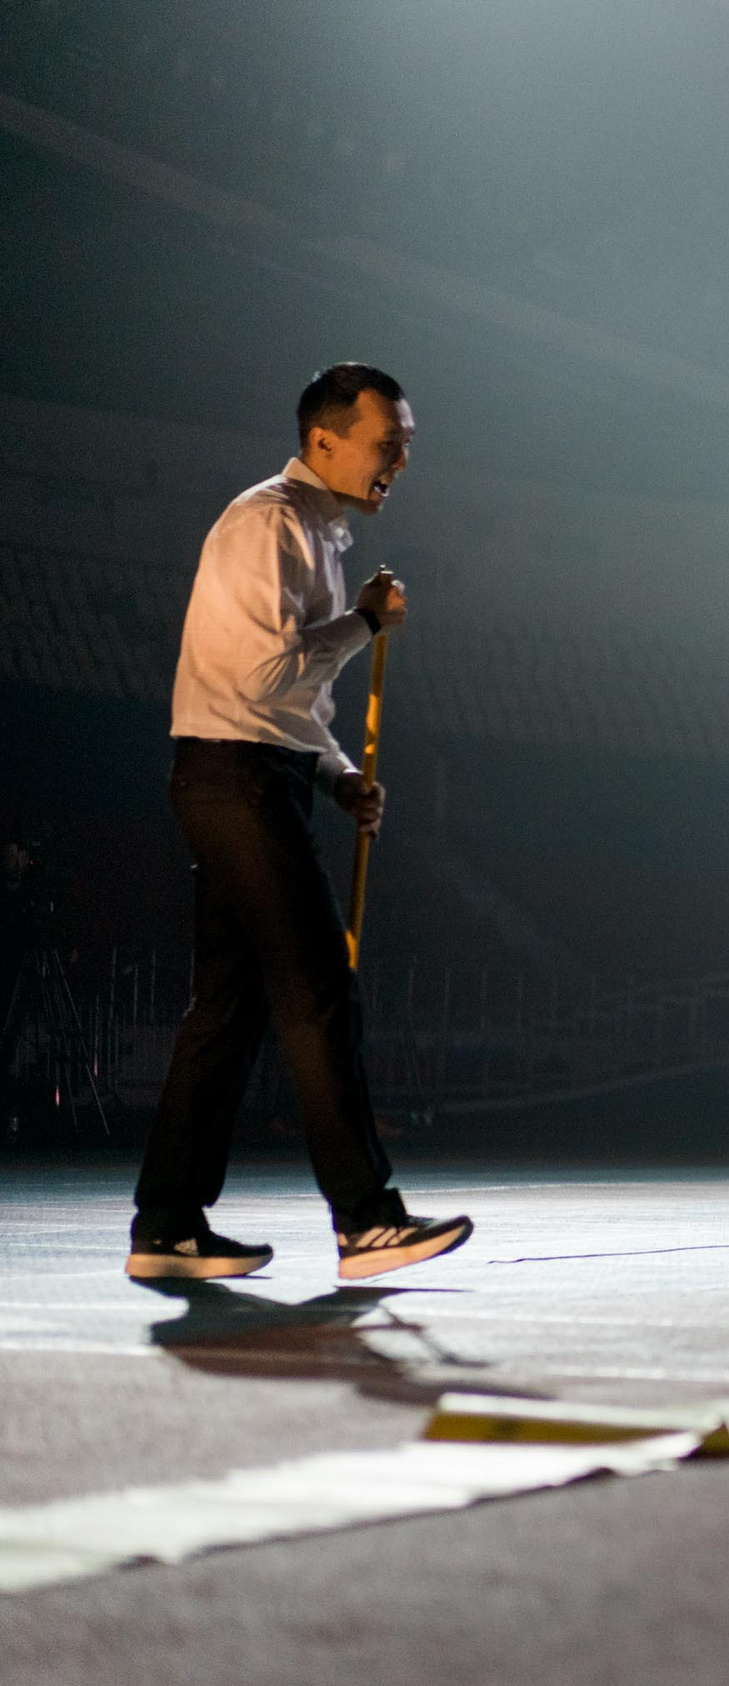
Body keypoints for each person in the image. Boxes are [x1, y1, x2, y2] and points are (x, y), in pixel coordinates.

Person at [128, 364, 473, 1282]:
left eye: (406, 444)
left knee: (229, 1011)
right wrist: (362, 625)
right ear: (324, 440)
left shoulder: (319, 534)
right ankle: (366, 1219)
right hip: (233, 777)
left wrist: (339, 775)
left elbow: (289, 701)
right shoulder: (268, 522)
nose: (400, 459)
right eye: (385, 441)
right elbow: (257, 682)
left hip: (253, 772)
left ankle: (166, 1226)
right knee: (318, 987)